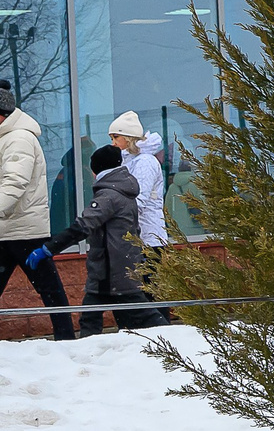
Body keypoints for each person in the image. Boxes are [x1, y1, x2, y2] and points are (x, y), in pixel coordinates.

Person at [44, 145, 161, 332]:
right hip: (118, 265)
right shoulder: (123, 190)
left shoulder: (108, 195)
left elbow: (83, 225)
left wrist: (49, 248)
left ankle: (176, 341)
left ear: (96, 170)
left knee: (136, 315)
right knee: (125, 318)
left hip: (111, 269)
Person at [0, 81, 74, 340]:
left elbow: (14, 183)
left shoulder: (18, 138)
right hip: (8, 229)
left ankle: (67, 342)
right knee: (51, 291)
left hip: (24, 231)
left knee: (50, 291)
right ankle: (66, 338)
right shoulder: (6, 138)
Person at [109, 111, 167, 250]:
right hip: (138, 236)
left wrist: (113, 216)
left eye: (116, 137)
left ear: (128, 137)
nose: (113, 143)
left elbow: (138, 200)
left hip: (149, 238)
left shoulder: (145, 162)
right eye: (112, 138)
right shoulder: (130, 161)